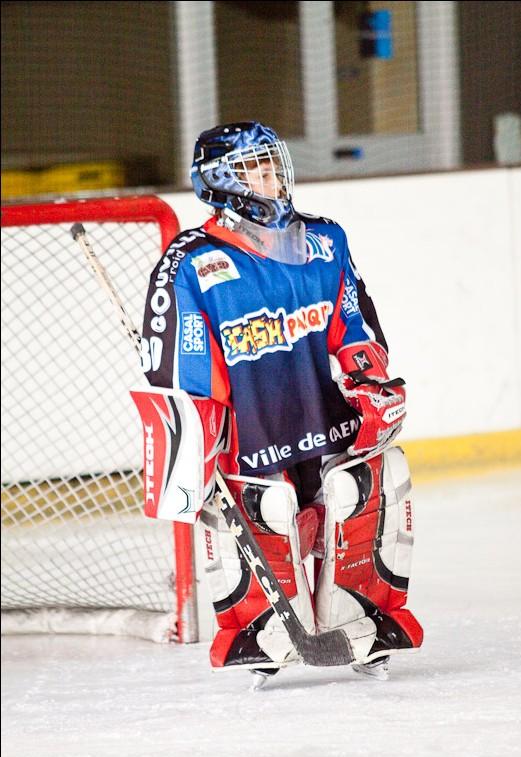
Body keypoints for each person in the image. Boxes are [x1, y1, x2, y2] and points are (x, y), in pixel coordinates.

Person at [141, 121, 423, 683]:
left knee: (366, 488)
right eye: (257, 171)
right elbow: (184, 363)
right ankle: (263, 632)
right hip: (253, 430)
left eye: (274, 167)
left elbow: (354, 323)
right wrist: (198, 431)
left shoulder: (324, 240)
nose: (274, 180)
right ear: (221, 182)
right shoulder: (190, 261)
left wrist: (370, 380)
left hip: (327, 417)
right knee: (265, 510)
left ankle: (362, 622)